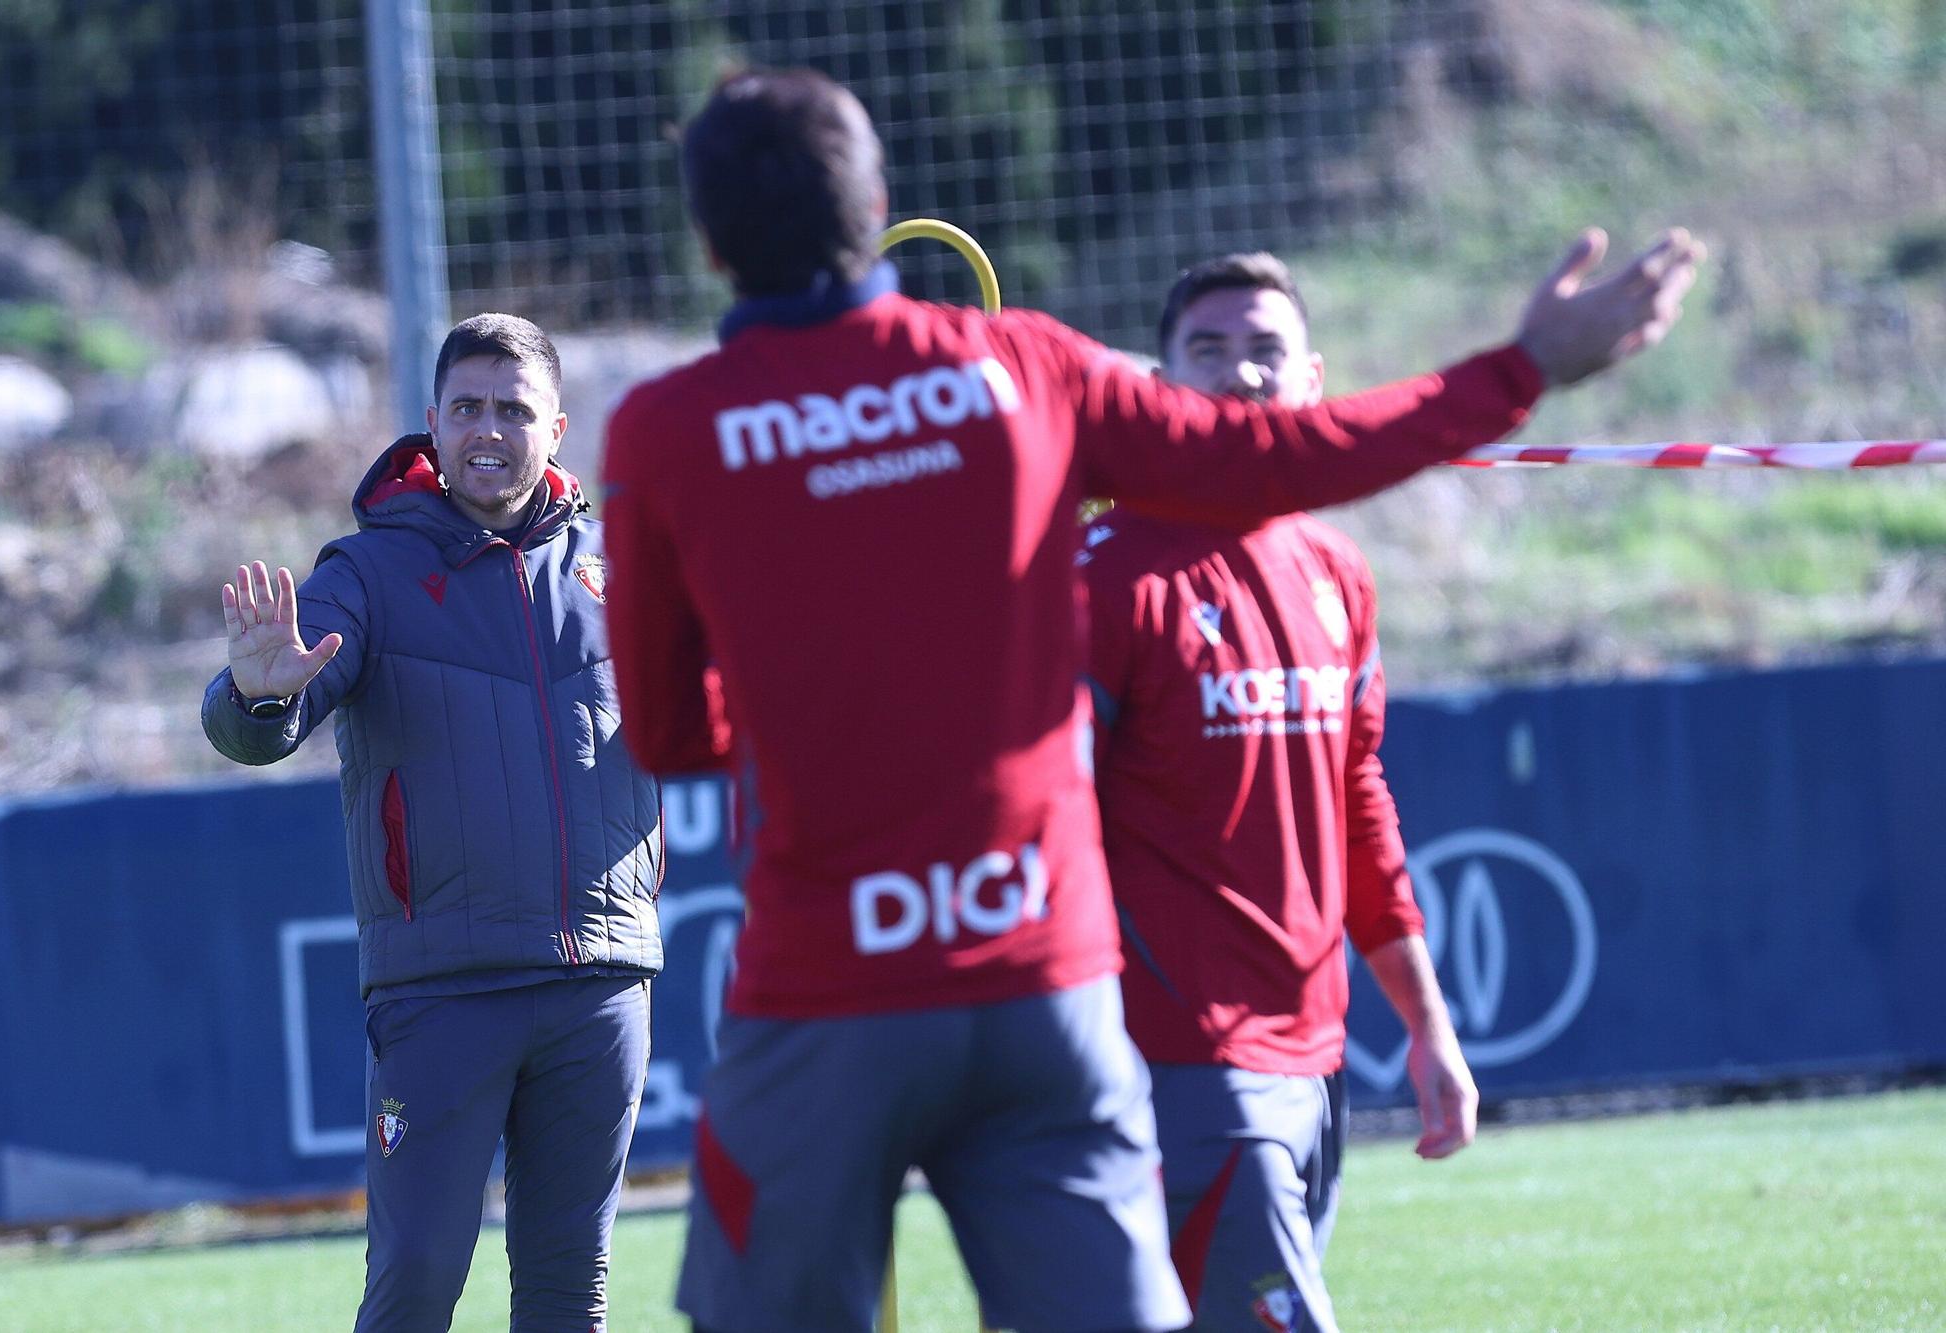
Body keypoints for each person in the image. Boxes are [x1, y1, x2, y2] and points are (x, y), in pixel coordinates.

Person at [599, 66, 1699, 1333]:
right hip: (1043, 996)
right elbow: (1283, 458)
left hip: (825, 993)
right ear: (878, 203)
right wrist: (1514, 370)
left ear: (704, 238)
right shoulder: (1025, 366)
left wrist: (827, 686)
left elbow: (674, 732)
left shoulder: (668, 431)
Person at [201, 314, 659, 1333]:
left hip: (601, 985)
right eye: (466, 409)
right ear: (432, 424)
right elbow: (261, 719)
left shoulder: (621, 567)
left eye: (511, 409)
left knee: (567, 1296)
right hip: (444, 991)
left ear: (555, 428)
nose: (487, 430)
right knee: (413, 1284)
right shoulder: (365, 574)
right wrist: (258, 698)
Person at [1082, 253, 1476, 1333]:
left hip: (1315, 1049)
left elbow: (1358, 807)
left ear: (1311, 378)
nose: (1239, 375)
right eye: (1206, 351)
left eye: (1264, 351)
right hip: (1179, 1057)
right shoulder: (1106, 577)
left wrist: (1425, 1026)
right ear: (1159, 383)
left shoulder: (1333, 569)